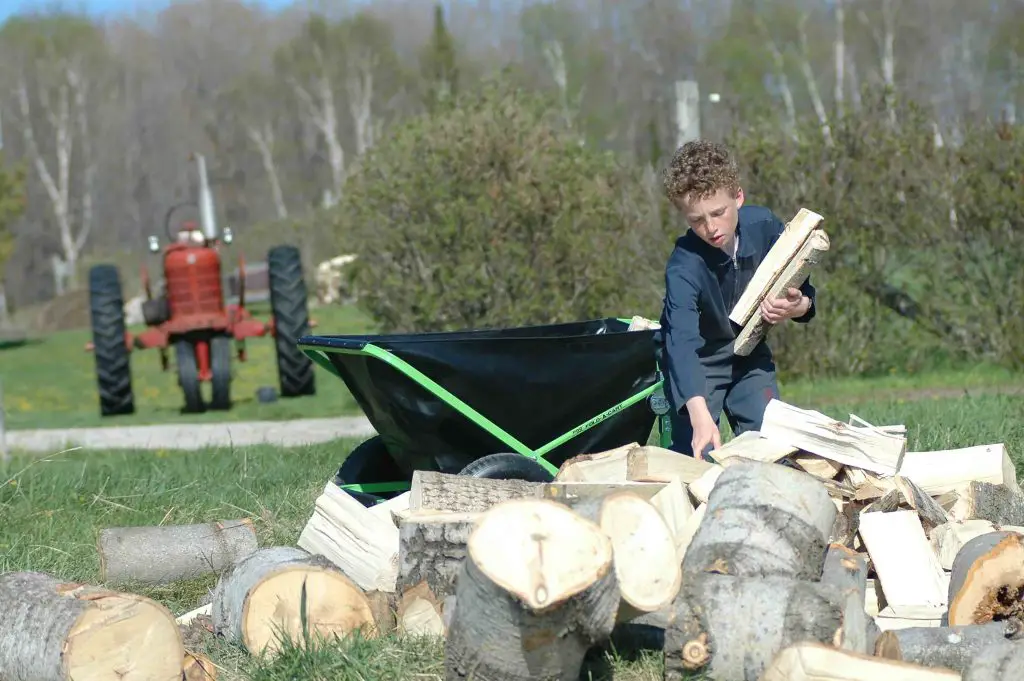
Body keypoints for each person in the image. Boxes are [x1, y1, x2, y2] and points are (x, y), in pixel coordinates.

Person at [656, 139, 816, 460]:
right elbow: (681, 343)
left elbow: (805, 294)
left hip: (750, 356)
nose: (711, 228)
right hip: (698, 365)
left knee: (774, 452)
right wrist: (699, 414)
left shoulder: (765, 227)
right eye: (696, 220)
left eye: (718, 213)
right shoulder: (684, 265)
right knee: (692, 459)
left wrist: (797, 306)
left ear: (738, 197)